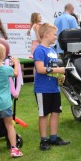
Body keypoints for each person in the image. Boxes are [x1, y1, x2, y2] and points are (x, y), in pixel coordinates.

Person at [33, 23, 70, 151]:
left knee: (55, 113)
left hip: (54, 88)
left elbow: (53, 69)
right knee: (44, 114)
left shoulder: (52, 50)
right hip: (43, 89)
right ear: (46, 34)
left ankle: (53, 137)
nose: (56, 37)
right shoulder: (39, 50)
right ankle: (43, 140)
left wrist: (60, 76)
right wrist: (57, 69)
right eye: (54, 34)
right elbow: (40, 69)